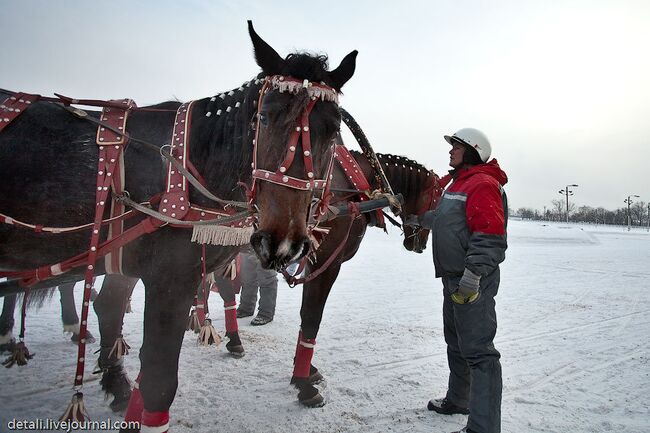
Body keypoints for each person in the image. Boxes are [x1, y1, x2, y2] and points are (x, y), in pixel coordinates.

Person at [418, 128, 508, 433]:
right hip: (453, 279)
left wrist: (473, 276)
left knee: (479, 352)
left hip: (471, 281)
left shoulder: (482, 184)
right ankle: (458, 400)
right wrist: (417, 218)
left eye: (455, 147)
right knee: (456, 344)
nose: (450, 152)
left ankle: (483, 428)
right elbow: (447, 220)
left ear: (472, 150)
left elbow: (490, 237)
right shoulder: (460, 183)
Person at [236, 250, 278, 326]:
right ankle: (246, 308)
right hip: (248, 244)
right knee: (247, 277)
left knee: (267, 277)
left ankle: (266, 313)